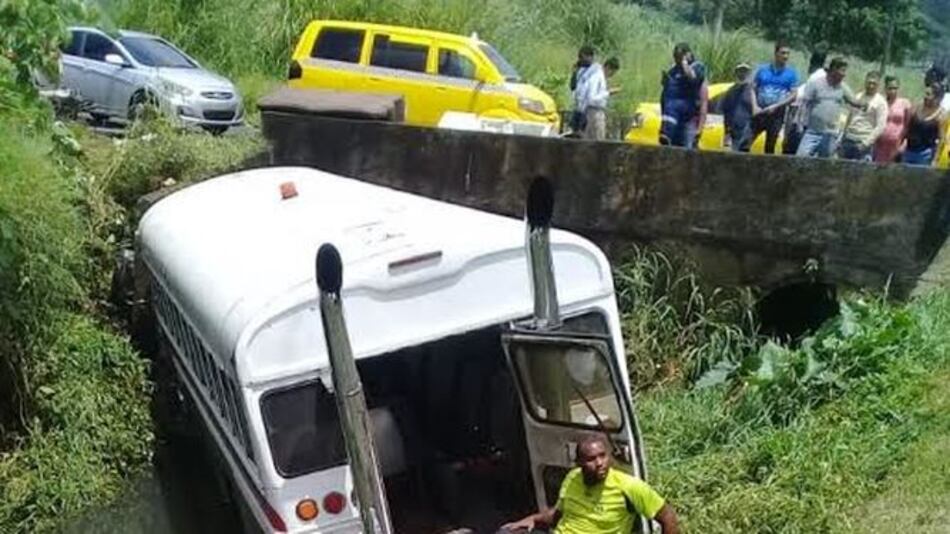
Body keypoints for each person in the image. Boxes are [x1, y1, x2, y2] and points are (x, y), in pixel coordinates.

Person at [499, 435, 679, 534]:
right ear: (579, 463)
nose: (600, 463)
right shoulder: (573, 477)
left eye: (603, 455)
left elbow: (668, 517)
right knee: (506, 532)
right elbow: (558, 513)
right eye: (591, 459)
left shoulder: (628, 486)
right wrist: (532, 519)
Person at [796, 58, 864, 158]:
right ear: (833, 70)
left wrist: (864, 103)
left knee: (826, 163)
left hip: (830, 134)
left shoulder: (842, 87)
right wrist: (800, 125)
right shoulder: (816, 83)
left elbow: (854, 101)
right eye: (842, 70)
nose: (844, 74)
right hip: (813, 131)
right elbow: (804, 104)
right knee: (800, 158)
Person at [751, 42, 799, 154]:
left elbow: (793, 95)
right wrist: (754, 106)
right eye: (783, 53)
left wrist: (776, 106)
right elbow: (752, 88)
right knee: (746, 142)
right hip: (759, 112)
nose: (785, 56)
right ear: (776, 53)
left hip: (776, 115)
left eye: (787, 53)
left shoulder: (791, 74)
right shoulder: (762, 70)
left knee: (770, 146)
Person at [660, 42, 706, 148]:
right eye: (676, 57)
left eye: (679, 57)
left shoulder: (697, 66)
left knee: (687, 150)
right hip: (674, 118)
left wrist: (684, 62)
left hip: (689, 117)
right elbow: (666, 95)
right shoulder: (673, 70)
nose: (677, 60)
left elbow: (693, 78)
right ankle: (666, 133)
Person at [783, 48, 827, 155]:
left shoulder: (809, 83)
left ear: (811, 63)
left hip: (801, 127)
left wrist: (786, 135)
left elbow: (794, 110)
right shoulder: (827, 81)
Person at [839, 71, 888, 161]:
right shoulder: (858, 96)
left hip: (863, 141)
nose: (871, 86)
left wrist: (866, 143)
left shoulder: (881, 102)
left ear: (878, 85)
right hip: (849, 139)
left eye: (874, 83)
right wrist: (843, 135)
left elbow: (881, 126)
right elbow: (850, 117)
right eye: (869, 82)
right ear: (865, 82)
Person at [576, 57, 621, 141]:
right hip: (594, 112)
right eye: (612, 72)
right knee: (598, 138)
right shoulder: (597, 77)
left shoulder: (600, 77)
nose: (612, 75)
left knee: (589, 139)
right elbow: (592, 98)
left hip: (594, 111)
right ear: (608, 67)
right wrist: (608, 93)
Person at [903, 83, 948, 166]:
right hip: (908, 151)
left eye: (929, 94)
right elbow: (906, 128)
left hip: (925, 155)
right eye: (925, 93)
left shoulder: (941, 115)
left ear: (937, 98)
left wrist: (935, 159)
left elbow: (942, 139)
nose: (925, 97)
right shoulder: (916, 108)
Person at [873, 76, 912, 163]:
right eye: (890, 88)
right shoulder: (881, 103)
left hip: (897, 146)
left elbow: (908, 125)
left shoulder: (905, 104)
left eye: (895, 88)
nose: (893, 91)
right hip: (880, 145)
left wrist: (904, 144)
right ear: (885, 88)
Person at [721, 63, 754, 151]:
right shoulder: (730, 91)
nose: (742, 74)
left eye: (745, 71)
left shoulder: (754, 91)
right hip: (734, 133)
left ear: (749, 73)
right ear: (736, 73)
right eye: (740, 71)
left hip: (749, 132)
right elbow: (726, 112)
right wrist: (726, 132)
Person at [569, 46, 595, 136]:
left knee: (583, 133)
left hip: (588, 109)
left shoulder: (595, 71)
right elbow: (572, 87)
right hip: (578, 107)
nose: (580, 60)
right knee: (574, 132)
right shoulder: (580, 70)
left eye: (582, 57)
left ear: (590, 57)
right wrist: (574, 72)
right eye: (579, 57)